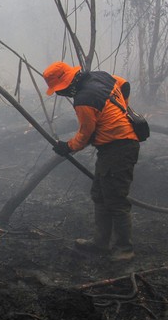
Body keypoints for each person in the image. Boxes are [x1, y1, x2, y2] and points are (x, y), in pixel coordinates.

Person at [42, 61, 140, 262]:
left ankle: (125, 249)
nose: (61, 94)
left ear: (66, 85)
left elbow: (86, 134)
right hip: (116, 147)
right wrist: (123, 110)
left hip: (118, 148)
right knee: (100, 194)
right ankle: (100, 243)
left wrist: (67, 147)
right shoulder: (101, 76)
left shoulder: (83, 99)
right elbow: (124, 84)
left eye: (59, 91)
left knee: (115, 199)